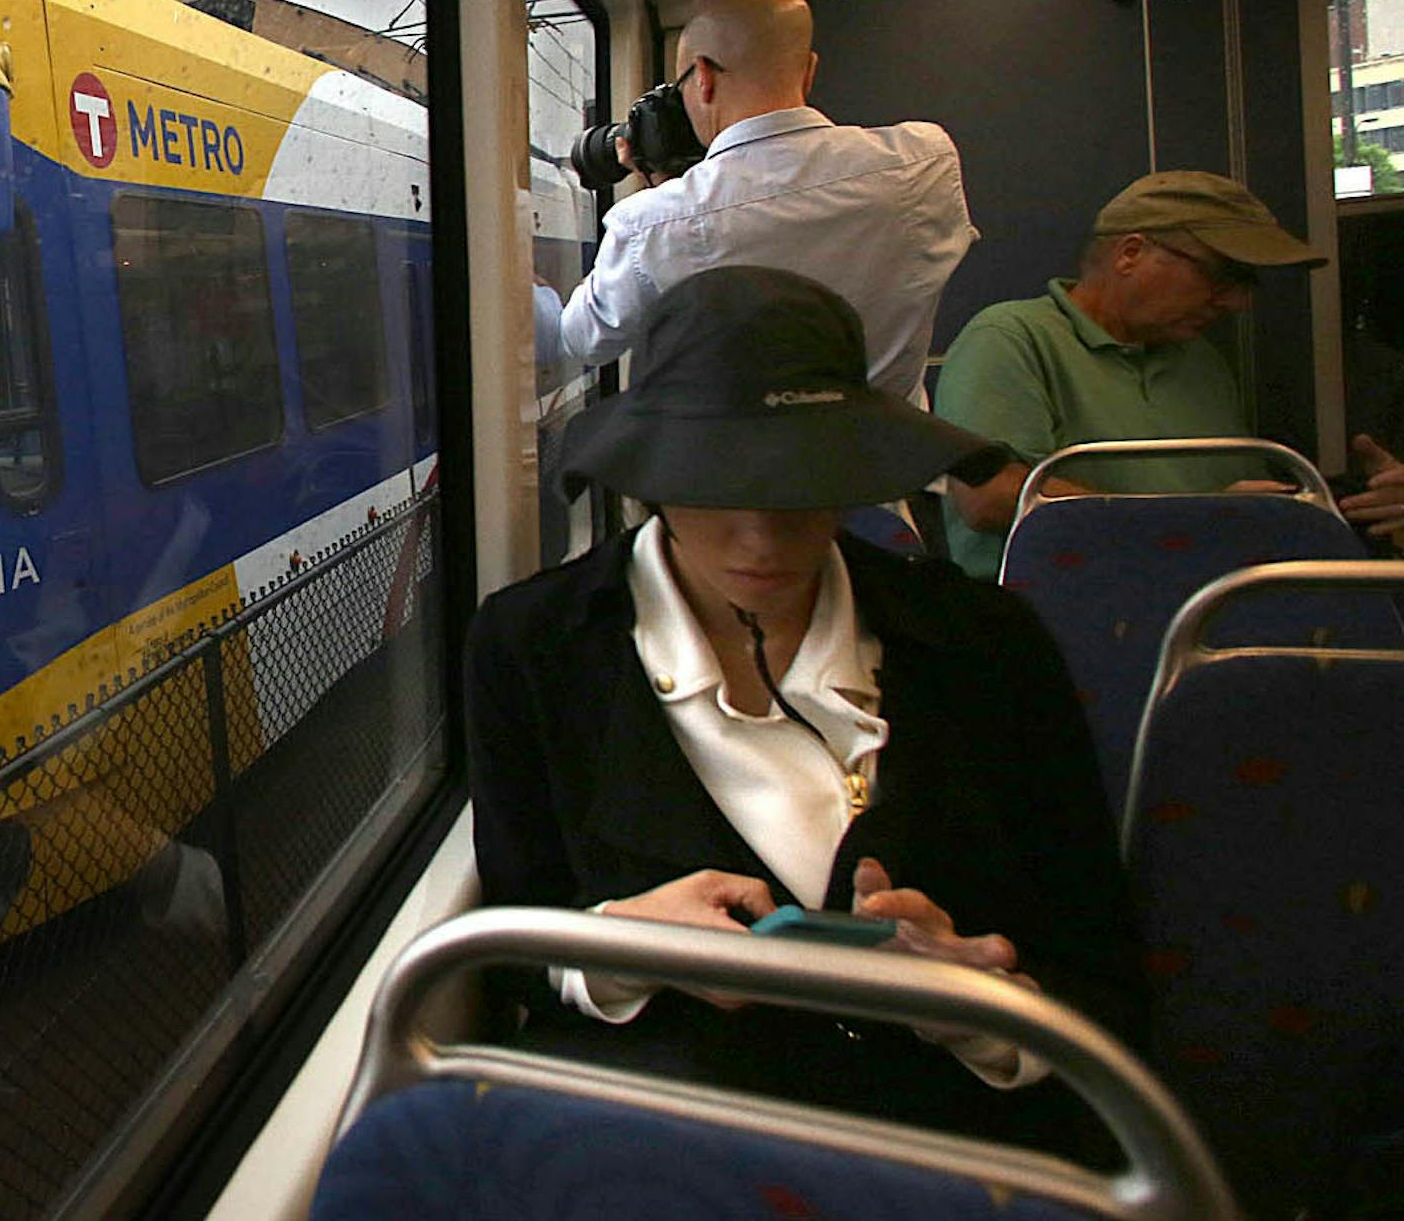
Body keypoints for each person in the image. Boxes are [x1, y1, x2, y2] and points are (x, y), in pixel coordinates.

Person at [469, 265, 1140, 1158]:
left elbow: (1097, 964)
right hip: (659, 1153)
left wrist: (979, 1009)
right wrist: (616, 947)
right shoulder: (532, 648)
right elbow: (516, 947)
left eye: (800, 484)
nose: (759, 537)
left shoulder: (986, 645)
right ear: (649, 478)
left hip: (950, 1151)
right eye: (714, 483)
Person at [934, 169, 1404, 578]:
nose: (1236, 302)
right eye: (1221, 275)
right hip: (1067, 626)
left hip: (1213, 607)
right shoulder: (1012, 337)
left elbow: (1244, 506)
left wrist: (1359, 508)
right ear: (1130, 253)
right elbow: (989, 496)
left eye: (1246, 284)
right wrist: (1194, 518)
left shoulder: (1199, 361)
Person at [533, 0, 974, 407]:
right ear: (810, 70)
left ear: (703, 77)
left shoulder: (655, 224)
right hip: (893, 468)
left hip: (742, 480)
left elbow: (578, 340)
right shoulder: (926, 164)